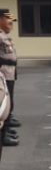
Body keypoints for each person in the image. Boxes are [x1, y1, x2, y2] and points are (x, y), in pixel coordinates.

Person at [0, 8, 19, 148]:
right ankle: (3, 135)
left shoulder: (4, 35)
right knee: (4, 104)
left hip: (9, 72)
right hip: (3, 73)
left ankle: (5, 131)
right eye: (8, 20)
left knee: (9, 103)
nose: (11, 23)